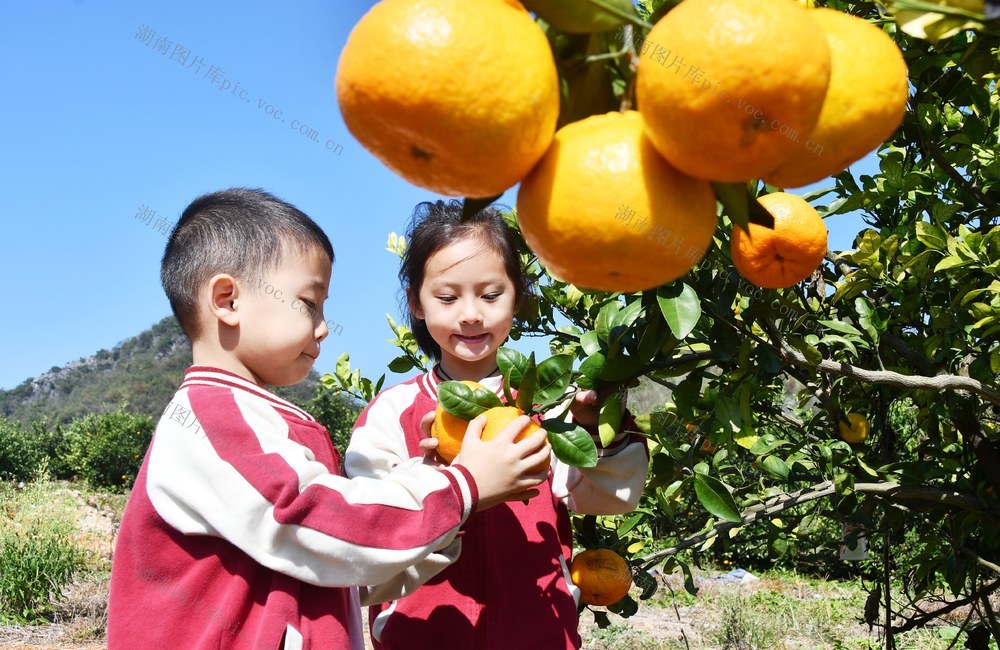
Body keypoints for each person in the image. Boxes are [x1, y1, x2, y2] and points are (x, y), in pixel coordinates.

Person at [106, 188, 550, 650]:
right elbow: (307, 519)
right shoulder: (212, 418)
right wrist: (460, 488)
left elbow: (341, 567)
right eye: (309, 302)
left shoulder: (258, 418)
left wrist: (439, 495)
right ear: (227, 300)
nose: (323, 326)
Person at [345, 200, 649, 650]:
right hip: (423, 636)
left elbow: (611, 498)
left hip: (537, 633)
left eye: (490, 295)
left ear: (517, 298)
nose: (471, 314)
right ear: (416, 303)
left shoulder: (549, 405)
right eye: (447, 297)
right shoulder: (395, 411)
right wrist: (434, 481)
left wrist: (592, 430)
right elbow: (366, 530)